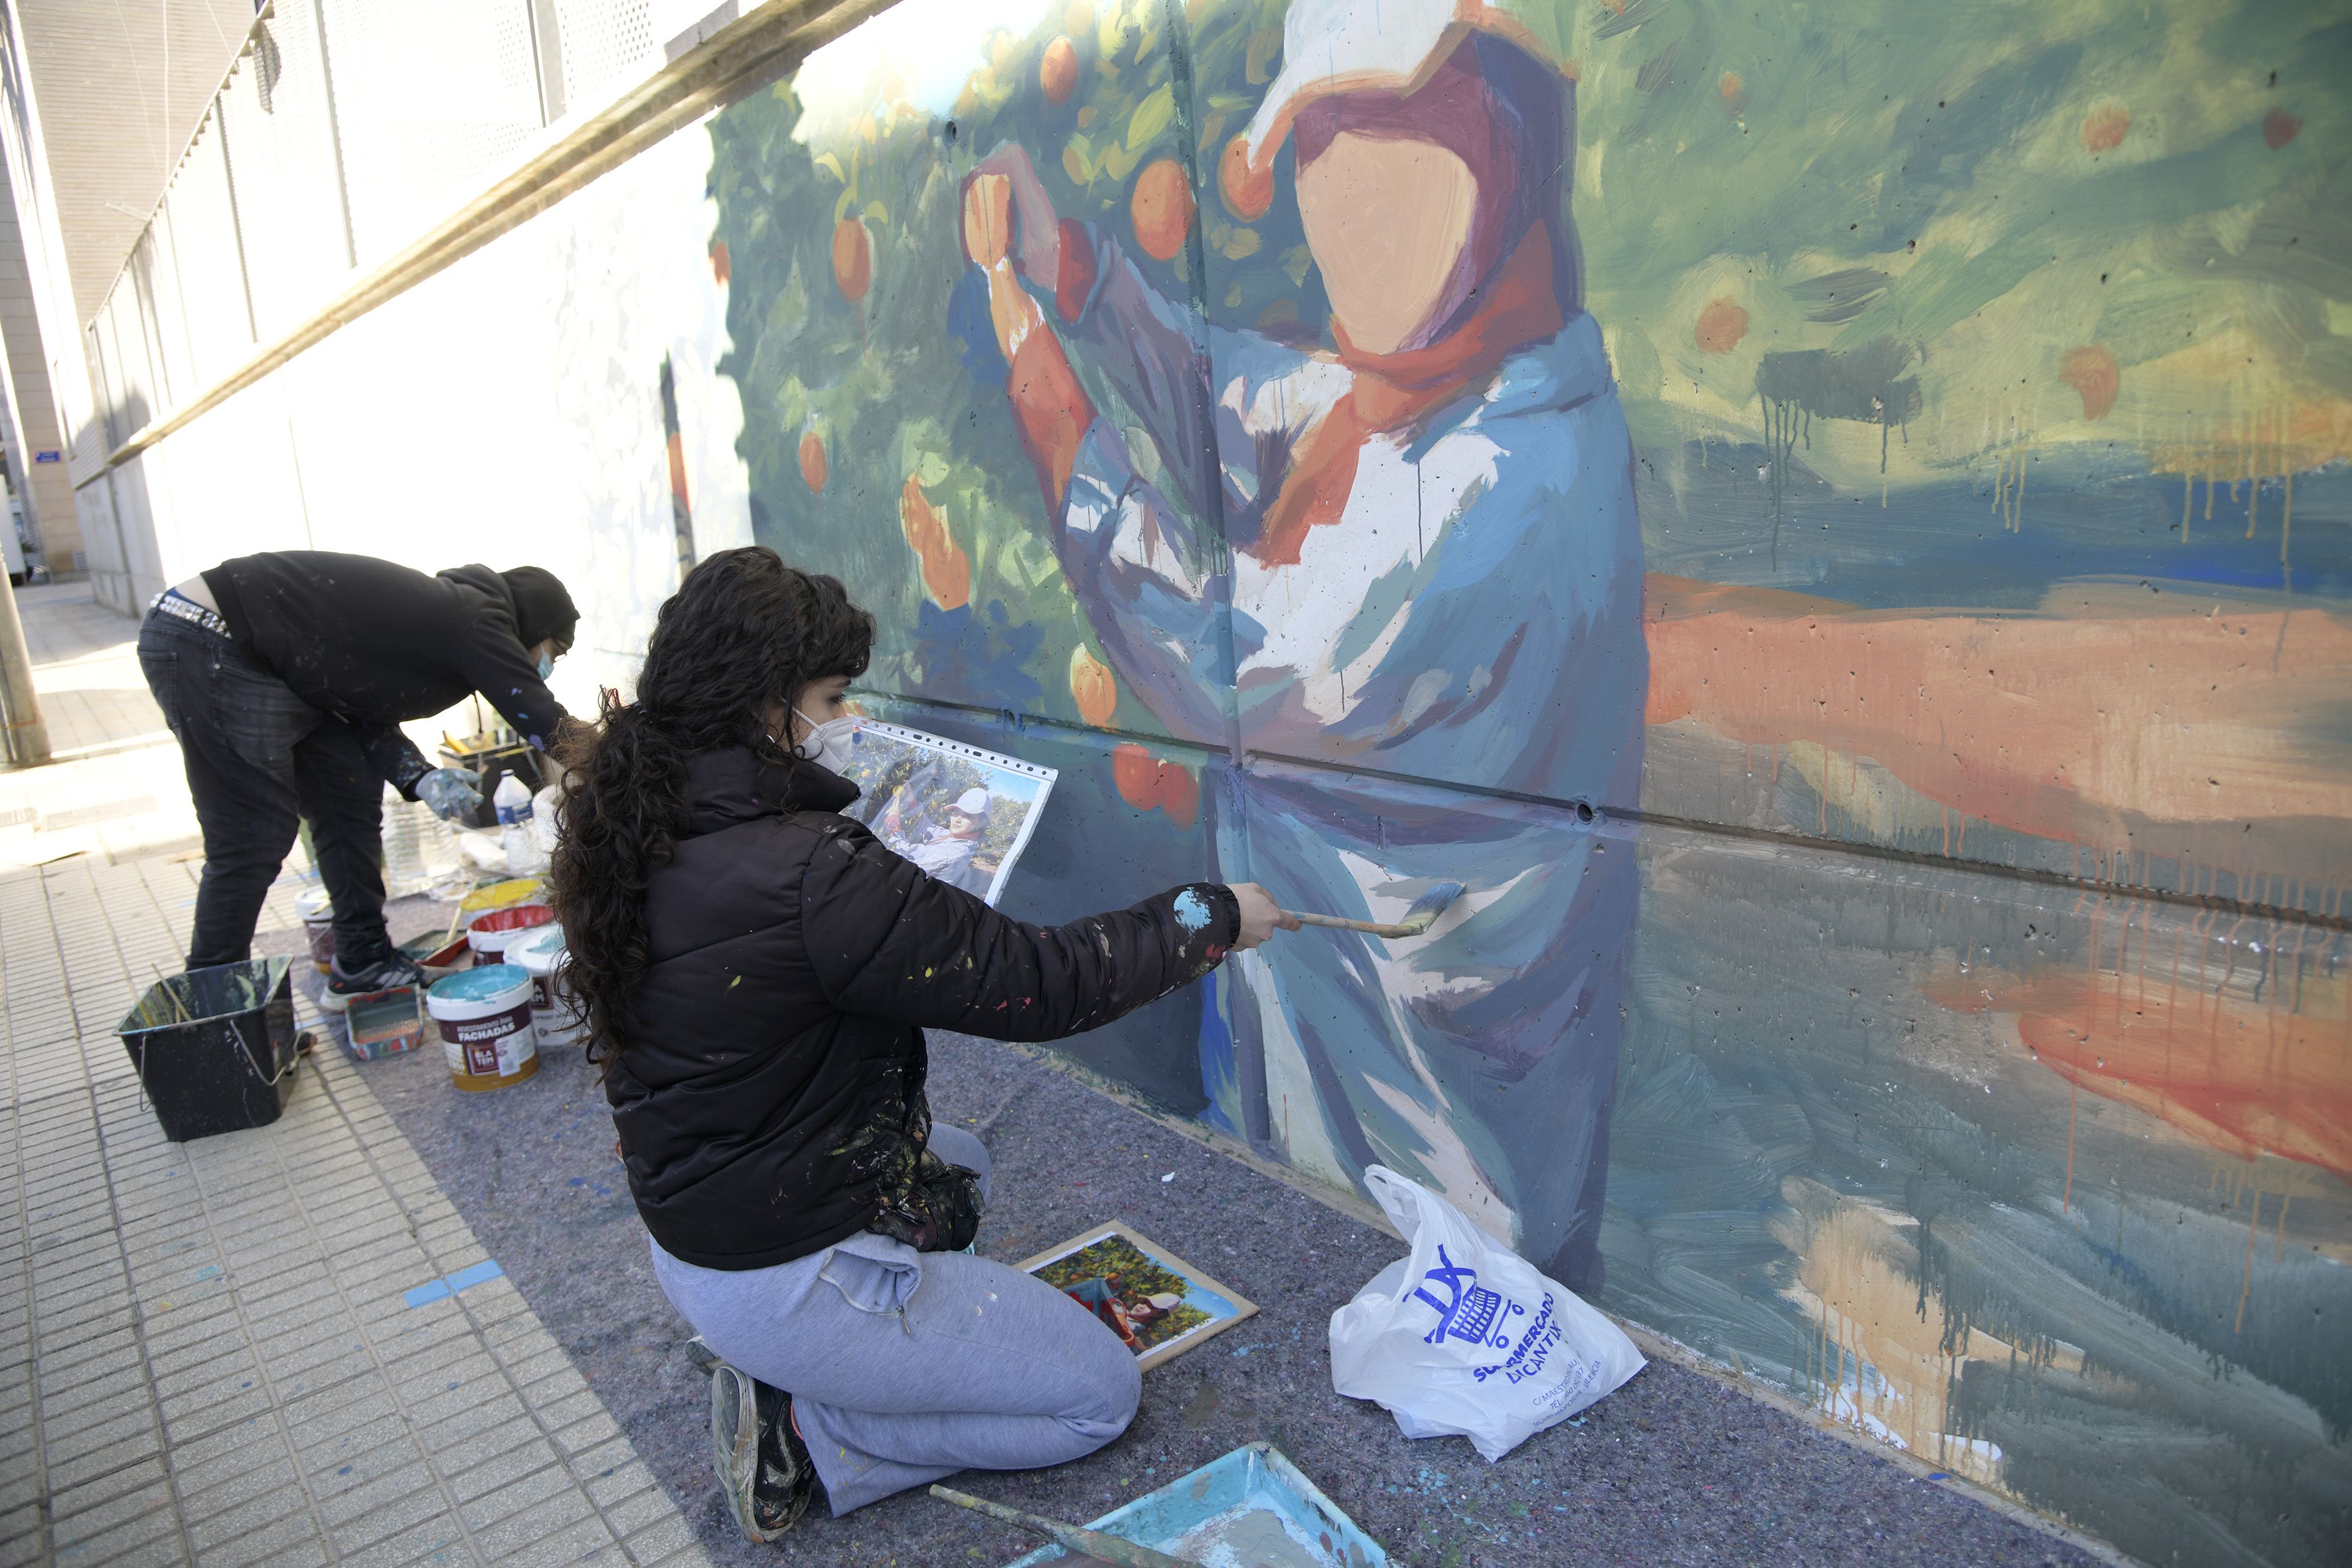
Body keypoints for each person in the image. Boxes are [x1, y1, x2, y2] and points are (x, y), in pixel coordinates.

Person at [952, 0, 1642, 1293]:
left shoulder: (1502, 481)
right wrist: (1074, 264)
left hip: (1433, 1163)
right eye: (1320, 150)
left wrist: (1023, 330)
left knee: (1428, 1404)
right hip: (1319, 1082)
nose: (1347, 206)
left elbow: (1196, 629)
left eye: (1396, 137)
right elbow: (1236, 393)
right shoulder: (1435, 393)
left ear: (1504, 147)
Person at [546, 546, 1294, 1541]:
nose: (847, 723)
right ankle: (813, 1433)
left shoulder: (640, 808)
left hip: (707, 1228)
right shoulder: (811, 871)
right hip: (778, 1267)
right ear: (768, 705)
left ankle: (812, 1360)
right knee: (1094, 1394)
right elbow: (1039, 983)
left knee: (962, 1164)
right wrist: (1206, 915)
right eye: (832, 697)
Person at [138, 550, 578, 1004]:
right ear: (537, 629)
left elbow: (361, 706)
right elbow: (544, 721)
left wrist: (422, 775)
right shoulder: (474, 618)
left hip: (278, 665)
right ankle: (212, 1010)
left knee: (345, 800)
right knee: (252, 835)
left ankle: (363, 962)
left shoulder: (446, 619)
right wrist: (620, 766)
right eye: (555, 652)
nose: (549, 666)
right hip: (210, 634)